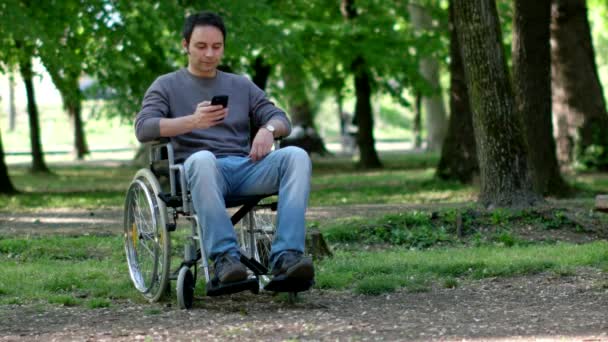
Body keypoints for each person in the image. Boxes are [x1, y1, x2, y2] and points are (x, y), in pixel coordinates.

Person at [134, 11, 314, 289]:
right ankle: (225, 260)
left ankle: (286, 257)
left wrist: (267, 131)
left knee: (296, 156)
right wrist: (192, 121)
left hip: (244, 168)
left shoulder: (240, 84)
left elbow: (281, 119)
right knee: (203, 159)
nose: (209, 54)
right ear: (185, 45)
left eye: (216, 47)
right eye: (201, 46)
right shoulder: (166, 85)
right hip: (198, 173)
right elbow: (144, 128)